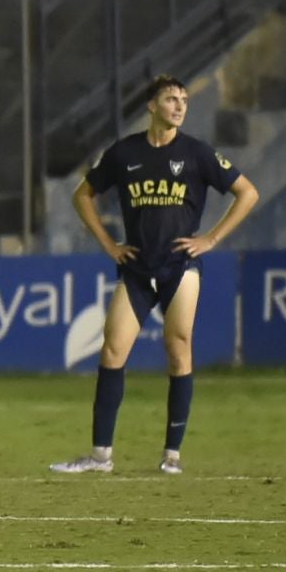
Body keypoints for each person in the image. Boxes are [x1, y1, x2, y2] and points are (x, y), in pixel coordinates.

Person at [51, 74, 258, 475]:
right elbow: (82, 195)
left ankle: (172, 456)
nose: (180, 106)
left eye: (183, 99)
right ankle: (100, 456)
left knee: (178, 350)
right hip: (137, 267)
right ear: (151, 106)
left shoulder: (197, 153)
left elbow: (247, 192)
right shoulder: (125, 153)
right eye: (170, 99)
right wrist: (109, 245)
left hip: (180, 268)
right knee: (112, 352)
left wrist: (212, 238)